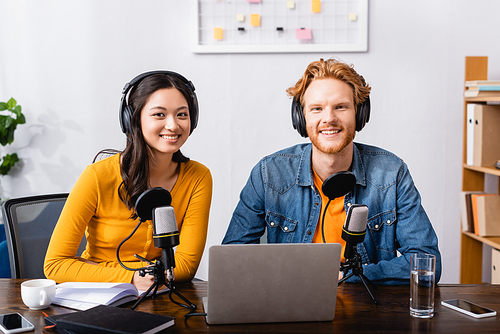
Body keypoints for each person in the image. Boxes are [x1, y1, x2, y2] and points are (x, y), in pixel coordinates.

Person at [222, 58, 441, 285]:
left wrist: (351, 277)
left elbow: (426, 262)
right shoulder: (269, 174)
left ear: (360, 114)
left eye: (341, 107)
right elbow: (231, 259)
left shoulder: (392, 174)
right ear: (301, 117)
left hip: (366, 311)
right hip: (291, 306)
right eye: (317, 108)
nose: (329, 119)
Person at [44, 71, 212, 290]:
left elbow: (185, 267)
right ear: (132, 119)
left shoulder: (198, 178)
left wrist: (138, 277)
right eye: (159, 115)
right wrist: (131, 278)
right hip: (99, 294)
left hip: (155, 295)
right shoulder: (97, 176)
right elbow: (55, 265)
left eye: (182, 114)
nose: (173, 125)